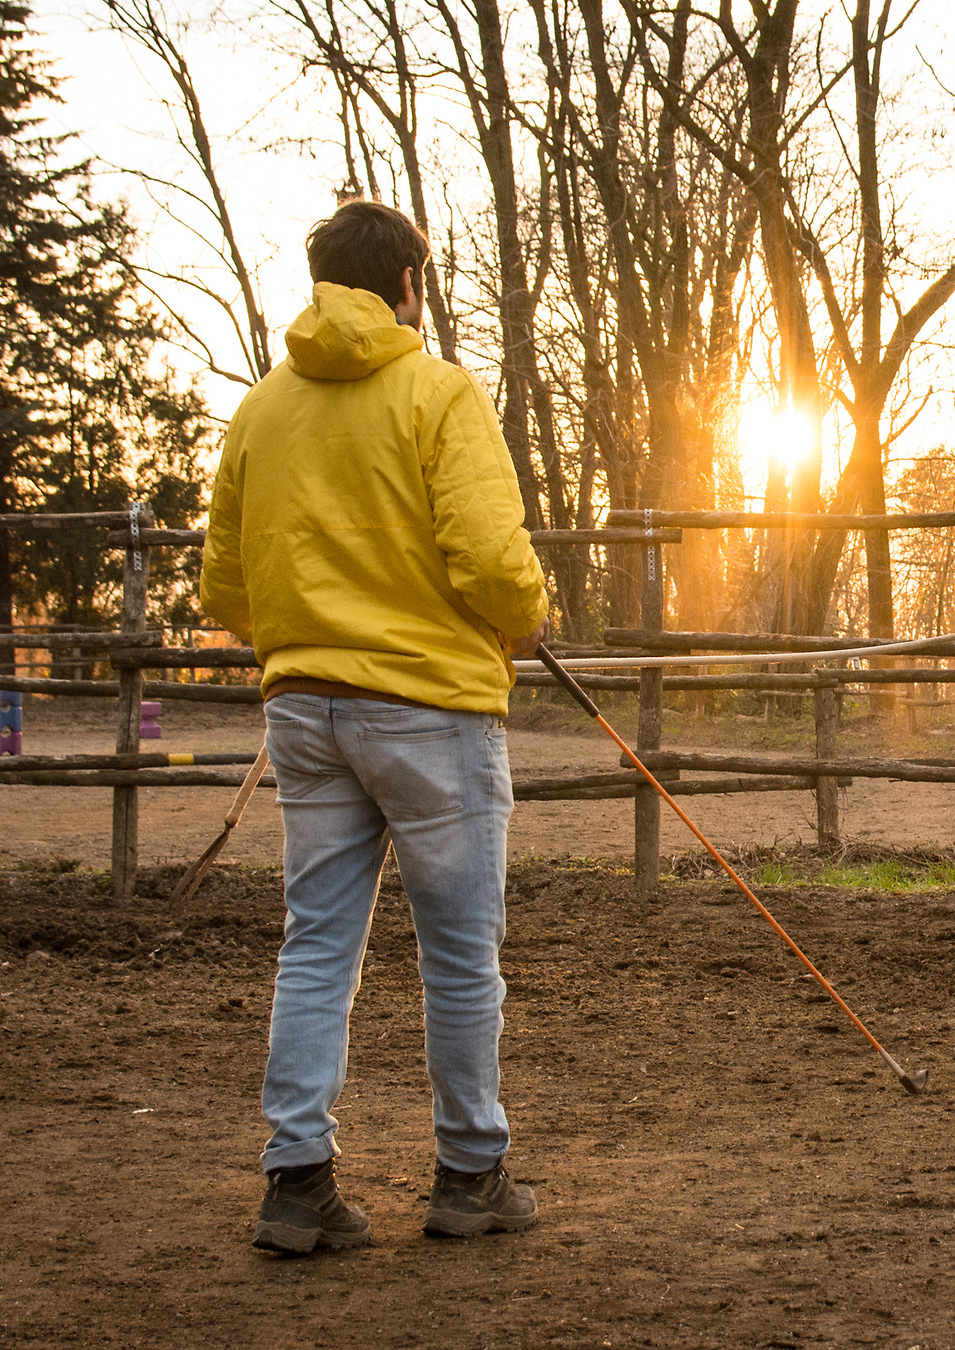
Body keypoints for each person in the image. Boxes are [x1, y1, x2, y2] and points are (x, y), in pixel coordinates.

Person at [200, 199, 551, 1255]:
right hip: (432, 711)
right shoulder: (438, 393)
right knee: (458, 954)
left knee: (316, 945)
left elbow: (224, 581)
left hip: (306, 710)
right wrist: (522, 620)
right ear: (409, 282)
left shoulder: (261, 411)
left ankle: (296, 1179)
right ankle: (469, 1173)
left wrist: (302, 645)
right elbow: (491, 561)